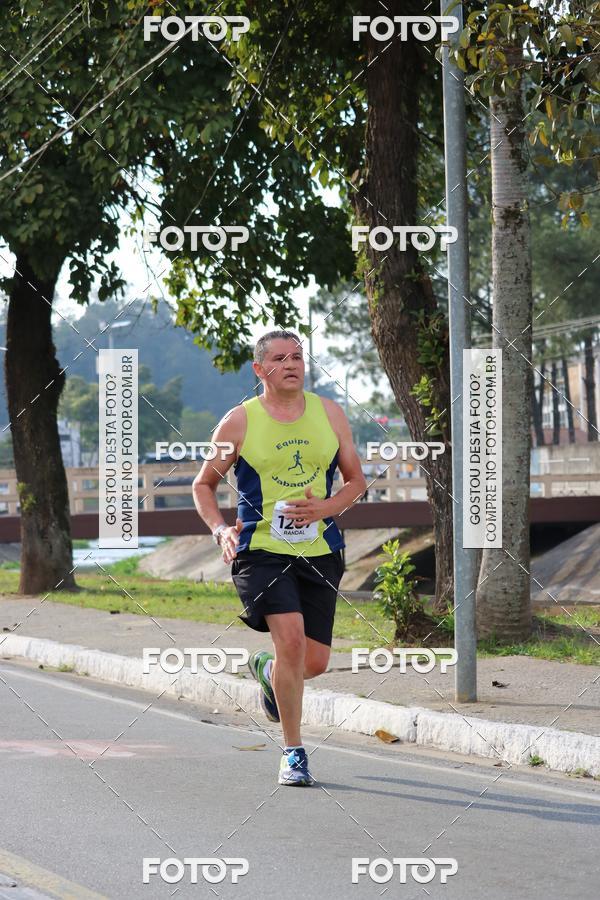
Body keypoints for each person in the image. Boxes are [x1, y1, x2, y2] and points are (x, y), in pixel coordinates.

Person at [192, 330, 367, 786]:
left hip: (321, 550)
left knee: (314, 662)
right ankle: (293, 752)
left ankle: (268, 673)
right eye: (280, 358)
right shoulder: (239, 422)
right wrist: (220, 530)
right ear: (259, 369)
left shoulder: (330, 414)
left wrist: (325, 508)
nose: (291, 365)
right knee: (290, 642)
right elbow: (203, 485)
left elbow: (355, 481)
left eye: (297, 357)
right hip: (261, 551)